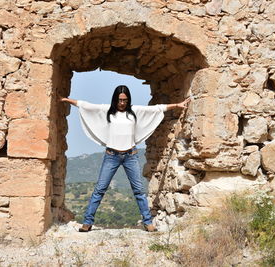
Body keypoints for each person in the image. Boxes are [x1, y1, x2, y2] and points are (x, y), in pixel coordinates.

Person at [60, 85, 190, 232]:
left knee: (138, 191)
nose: (122, 103)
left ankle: (148, 223)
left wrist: (177, 105)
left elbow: (157, 109)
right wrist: (66, 100)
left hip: (130, 156)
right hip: (111, 156)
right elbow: (87, 106)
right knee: (100, 190)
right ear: (115, 99)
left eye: (125, 100)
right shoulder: (107, 110)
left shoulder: (134, 111)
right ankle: (87, 222)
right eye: (120, 100)